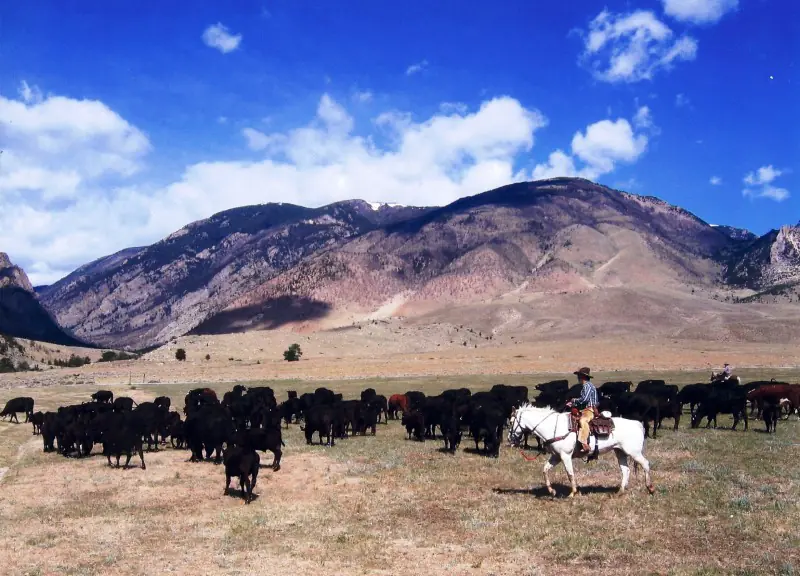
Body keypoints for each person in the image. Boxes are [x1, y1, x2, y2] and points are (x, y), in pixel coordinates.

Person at [568, 367, 598, 453]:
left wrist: (574, 400)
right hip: (585, 409)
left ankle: (584, 442)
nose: (578, 378)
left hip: (590, 410)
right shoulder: (585, 386)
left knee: (582, 420)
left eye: (579, 376)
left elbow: (584, 399)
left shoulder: (587, 386)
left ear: (582, 377)